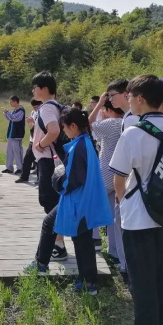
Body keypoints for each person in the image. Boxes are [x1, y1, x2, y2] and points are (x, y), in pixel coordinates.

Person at [110, 74, 163, 325]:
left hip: (138, 216)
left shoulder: (133, 132)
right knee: (156, 273)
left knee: (141, 279)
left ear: (140, 99)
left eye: (130, 96)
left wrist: (122, 204)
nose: (128, 100)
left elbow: (119, 177)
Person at [28, 108, 113, 295]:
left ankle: (86, 281)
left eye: (64, 127)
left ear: (73, 126)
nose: (64, 132)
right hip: (83, 198)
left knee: (76, 237)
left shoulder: (79, 147)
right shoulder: (85, 141)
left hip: (76, 201)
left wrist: (56, 180)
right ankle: (85, 280)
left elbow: (73, 180)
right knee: (77, 236)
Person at [32, 71, 67, 261]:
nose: (33, 91)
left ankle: (58, 245)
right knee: (54, 202)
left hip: (48, 161)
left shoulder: (46, 108)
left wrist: (40, 144)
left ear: (44, 89)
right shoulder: (57, 106)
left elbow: (54, 131)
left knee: (50, 203)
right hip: (54, 160)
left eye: (35, 87)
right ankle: (58, 243)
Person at [105, 78, 135, 284]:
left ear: (126, 94)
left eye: (112, 95)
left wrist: (120, 189)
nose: (110, 100)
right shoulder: (128, 117)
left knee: (122, 223)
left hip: (129, 183)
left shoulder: (131, 119)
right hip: (128, 182)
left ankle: (126, 268)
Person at [89, 94, 124, 261]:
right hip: (119, 174)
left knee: (93, 206)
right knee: (113, 216)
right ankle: (114, 250)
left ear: (109, 109)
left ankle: (95, 238)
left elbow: (88, 123)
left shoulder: (111, 123)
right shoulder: (125, 122)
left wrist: (99, 105)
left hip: (105, 172)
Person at [16, 99, 42, 184]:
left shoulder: (42, 112)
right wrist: (30, 123)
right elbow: (31, 126)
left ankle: (39, 179)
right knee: (27, 158)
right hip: (32, 139)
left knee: (39, 160)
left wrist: (34, 122)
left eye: (36, 107)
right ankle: (24, 176)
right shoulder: (33, 113)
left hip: (40, 140)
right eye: (33, 107)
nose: (35, 109)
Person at [2, 96, 25, 174]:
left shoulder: (21, 110)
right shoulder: (15, 110)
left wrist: (7, 112)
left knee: (17, 151)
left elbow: (14, 118)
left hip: (17, 134)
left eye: (11, 102)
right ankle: (9, 167)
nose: (10, 103)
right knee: (9, 151)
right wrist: (6, 113)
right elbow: (10, 117)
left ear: (15, 101)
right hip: (11, 134)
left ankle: (20, 168)